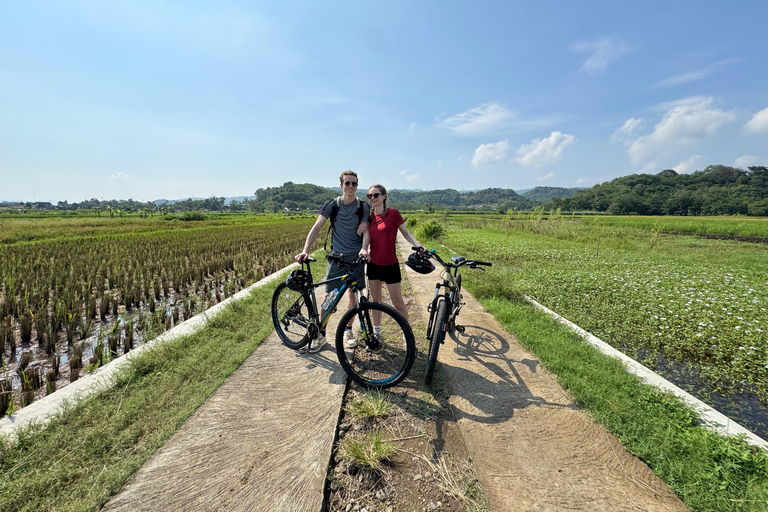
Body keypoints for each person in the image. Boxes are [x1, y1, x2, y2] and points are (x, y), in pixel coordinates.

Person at [295, 170, 370, 352]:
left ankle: (348, 330)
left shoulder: (363, 207)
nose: (350, 186)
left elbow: (366, 231)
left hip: (356, 258)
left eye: (354, 183)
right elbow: (316, 227)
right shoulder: (333, 205)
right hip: (337, 257)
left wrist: (364, 248)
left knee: (354, 294)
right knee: (329, 295)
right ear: (341, 185)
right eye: (347, 183)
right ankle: (321, 334)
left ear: (357, 185)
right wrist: (305, 250)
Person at [359, 184, 423, 343]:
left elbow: (406, 233)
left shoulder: (393, 214)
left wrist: (418, 245)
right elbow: (366, 238)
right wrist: (363, 247)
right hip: (373, 264)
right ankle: (377, 333)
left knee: (397, 302)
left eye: (376, 195)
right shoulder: (369, 217)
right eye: (370, 196)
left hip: (391, 265)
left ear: (384, 196)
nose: (372, 198)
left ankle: (406, 334)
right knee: (376, 302)